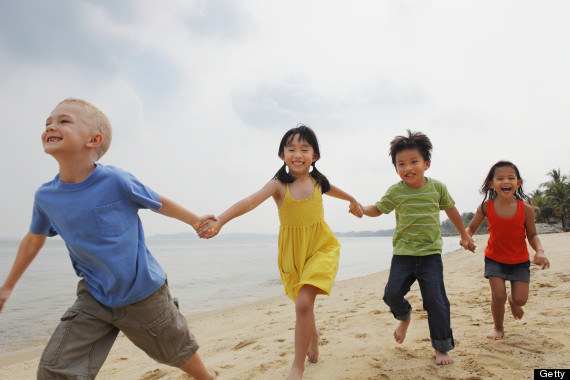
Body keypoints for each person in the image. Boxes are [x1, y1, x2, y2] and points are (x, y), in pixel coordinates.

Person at [0, 98, 217, 379]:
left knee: (177, 352)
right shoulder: (46, 197)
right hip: (94, 295)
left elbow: (157, 201)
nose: (51, 126)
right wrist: (7, 286)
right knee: (55, 368)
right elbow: (33, 238)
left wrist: (195, 220)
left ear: (94, 140)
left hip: (143, 293)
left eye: (63, 121)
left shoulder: (115, 180)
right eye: (48, 123)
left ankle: (207, 376)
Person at [198, 125, 363, 380]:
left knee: (304, 303)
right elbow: (250, 201)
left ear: (315, 156)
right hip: (293, 253)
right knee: (303, 305)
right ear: (282, 155)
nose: (298, 154)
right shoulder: (278, 185)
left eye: (305, 149)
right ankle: (313, 334)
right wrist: (220, 220)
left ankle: (297, 366)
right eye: (291, 149)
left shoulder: (318, 181)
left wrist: (353, 200)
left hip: (321, 247)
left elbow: (334, 189)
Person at [361, 130, 475, 366]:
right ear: (396, 169)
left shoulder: (437, 188)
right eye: (401, 164)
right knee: (391, 294)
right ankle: (404, 316)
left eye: (413, 162)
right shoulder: (395, 191)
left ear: (426, 163)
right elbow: (379, 209)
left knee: (436, 300)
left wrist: (464, 235)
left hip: (431, 255)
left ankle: (442, 348)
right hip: (403, 255)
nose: (407, 167)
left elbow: (451, 210)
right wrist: (362, 209)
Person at [465, 160, 550, 340]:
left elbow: (532, 235)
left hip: (519, 261)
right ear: (491, 184)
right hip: (494, 258)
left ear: (518, 183)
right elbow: (471, 228)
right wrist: (467, 238)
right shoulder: (486, 207)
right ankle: (498, 327)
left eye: (511, 178)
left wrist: (540, 252)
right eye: (500, 178)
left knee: (520, 300)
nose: (506, 181)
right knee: (498, 296)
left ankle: (513, 300)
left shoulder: (526, 209)